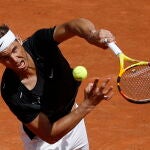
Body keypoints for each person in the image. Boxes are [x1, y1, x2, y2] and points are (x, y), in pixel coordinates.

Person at [0, 18, 115, 150]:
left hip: (74, 121)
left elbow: (71, 27)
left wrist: (92, 34)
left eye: (14, 50)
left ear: (19, 40)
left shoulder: (39, 44)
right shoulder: (11, 91)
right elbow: (50, 135)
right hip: (44, 142)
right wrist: (87, 105)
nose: (14, 60)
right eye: (5, 57)